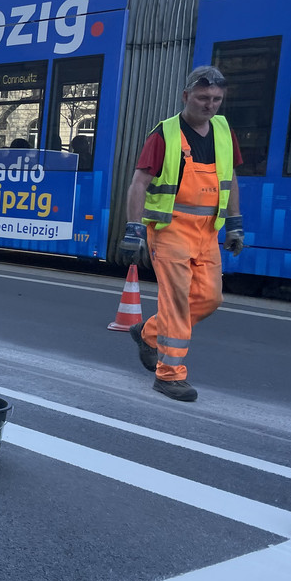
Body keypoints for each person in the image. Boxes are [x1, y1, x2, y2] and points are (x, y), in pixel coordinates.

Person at [120, 65, 244, 402]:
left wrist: (234, 222)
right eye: (203, 98)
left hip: (207, 232)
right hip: (170, 230)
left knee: (210, 298)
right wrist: (134, 228)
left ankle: (148, 333)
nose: (210, 105)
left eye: (216, 99)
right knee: (176, 301)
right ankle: (169, 375)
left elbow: (230, 179)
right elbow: (139, 183)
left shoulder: (223, 131)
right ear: (186, 96)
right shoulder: (164, 134)